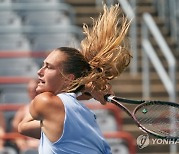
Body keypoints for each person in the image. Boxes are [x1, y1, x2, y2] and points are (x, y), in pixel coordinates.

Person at [18, 4, 132, 154]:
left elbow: (23, 125)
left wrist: (86, 89)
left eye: (49, 67)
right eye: (43, 65)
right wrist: (85, 88)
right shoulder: (78, 112)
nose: (40, 71)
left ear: (68, 79)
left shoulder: (46, 102)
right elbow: (23, 128)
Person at [12, 79, 39, 153]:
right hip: (29, 148)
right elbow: (15, 131)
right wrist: (22, 144)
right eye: (30, 90)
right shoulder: (22, 110)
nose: (32, 92)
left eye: (34, 89)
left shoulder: (49, 108)